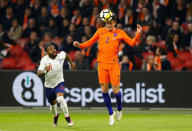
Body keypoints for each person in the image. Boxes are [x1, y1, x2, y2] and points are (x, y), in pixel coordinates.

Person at [73, 12, 142, 125]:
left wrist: (138, 34)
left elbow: (132, 43)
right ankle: (111, 113)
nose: (108, 24)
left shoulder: (120, 33)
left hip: (114, 65)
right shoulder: (100, 31)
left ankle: (119, 109)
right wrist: (79, 45)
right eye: (107, 23)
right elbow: (90, 42)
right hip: (102, 65)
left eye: (110, 22)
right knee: (104, 90)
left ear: (114, 22)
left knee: (115, 91)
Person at [37, 44, 75, 127]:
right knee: (52, 107)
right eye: (51, 49)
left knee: (60, 99)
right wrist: (45, 71)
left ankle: (68, 118)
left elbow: (65, 54)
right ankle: (56, 115)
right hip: (49, 86)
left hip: (59, 82)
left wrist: (71, 63)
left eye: (54, 48)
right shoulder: (44, 60)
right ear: (47, 53)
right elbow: (38, 73)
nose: (54, 50)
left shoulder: (60, 56)